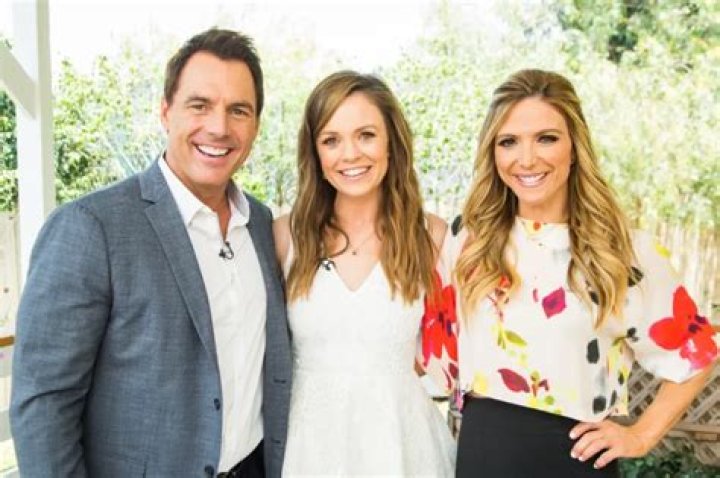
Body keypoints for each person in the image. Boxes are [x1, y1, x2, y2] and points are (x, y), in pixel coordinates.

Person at [10, 28, 291, 478]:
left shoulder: (260, 224)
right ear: (165, 112)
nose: (219, 127)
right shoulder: (90, 227)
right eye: (199, 105)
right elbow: (44, 404)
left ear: (256, 124)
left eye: (238, 110)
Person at [448, 69, 718, 476]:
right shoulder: (467, 241)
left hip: (573, 461)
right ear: (493, 153)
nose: (527, 158)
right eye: (508, 142)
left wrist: (641, 435)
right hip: (484, 454)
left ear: (574, 147)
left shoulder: (624, 252)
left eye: (546, 138)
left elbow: (697, 353)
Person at [273, 70, 456, 476]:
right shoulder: (285, 236)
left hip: (402, 449)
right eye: (331, 140)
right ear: (315, 153)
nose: (350, 154)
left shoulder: (432, 237)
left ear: (392, 142)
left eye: (366, 135)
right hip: (308, 451)